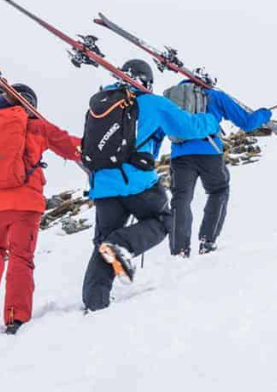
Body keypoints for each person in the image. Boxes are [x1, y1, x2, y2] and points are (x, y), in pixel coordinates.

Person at [0, 84, 83, 335]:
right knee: (20, 258)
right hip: (26, 206)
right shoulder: (37, 127)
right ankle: (15, 318)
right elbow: (71, 146)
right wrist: (103, 153)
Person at [82, 60, 220, 312]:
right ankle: (120, 246)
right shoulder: (151, 103)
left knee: (104, 243)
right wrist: (213, 120)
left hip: (102, 185)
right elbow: (189, 127)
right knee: (164, 220)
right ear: (146, 81)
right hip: (137, 181)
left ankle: (94, 303)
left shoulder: (99, 104)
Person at [165, 80, 272, 257]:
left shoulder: (171, 97)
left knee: (180, 199)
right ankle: (207, 241)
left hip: (179, 155)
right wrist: (265, 114)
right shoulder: (214, 96)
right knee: (219, 191)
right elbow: (247, 122)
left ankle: (179, 249)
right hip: (209, 152)